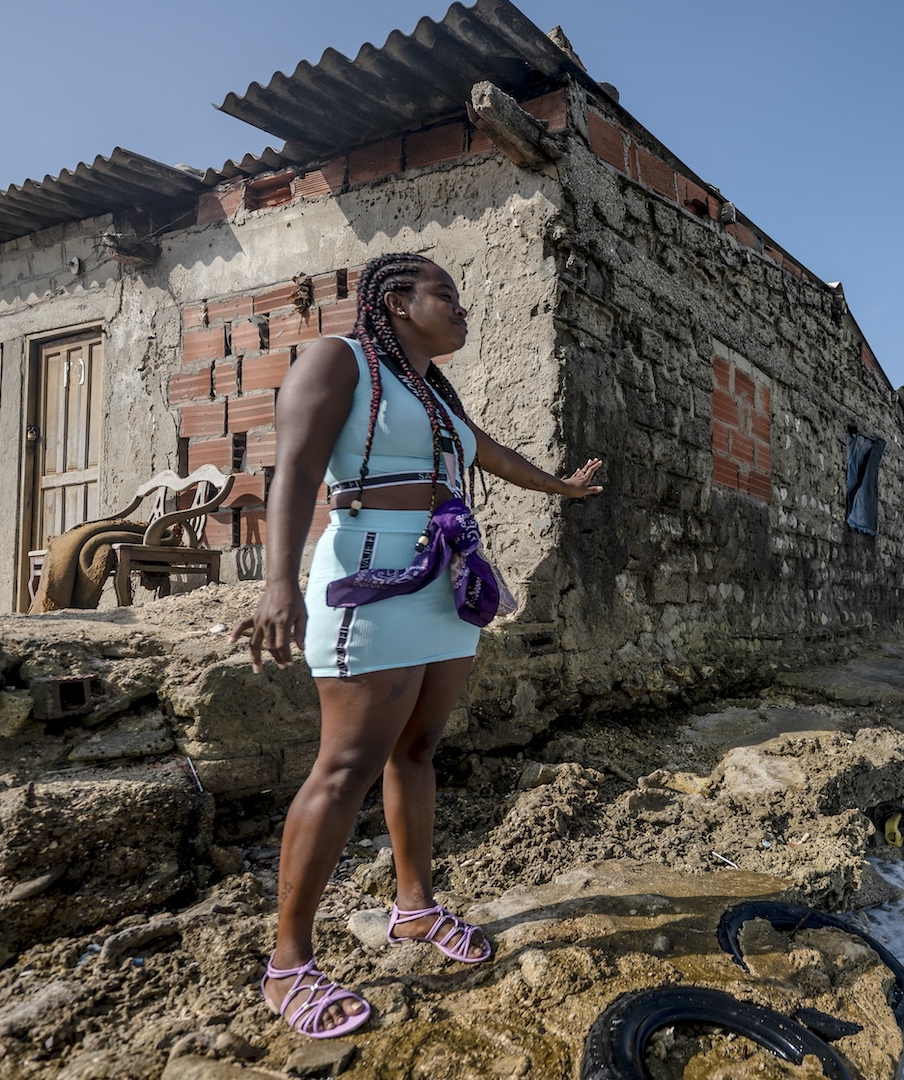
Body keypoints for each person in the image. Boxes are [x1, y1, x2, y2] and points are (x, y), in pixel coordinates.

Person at [231, 252, 604, 1039]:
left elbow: (491, 456)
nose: (462, 311)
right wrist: (277, 586)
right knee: (345, 768)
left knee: (418, 750)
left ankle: (413, 908)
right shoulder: (339, 361)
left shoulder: (431, 392)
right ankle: (287, 963)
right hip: (370, 577)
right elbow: (293, 469)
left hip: (446, 582)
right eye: (448, 297)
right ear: (397, 301)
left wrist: (563, 488)